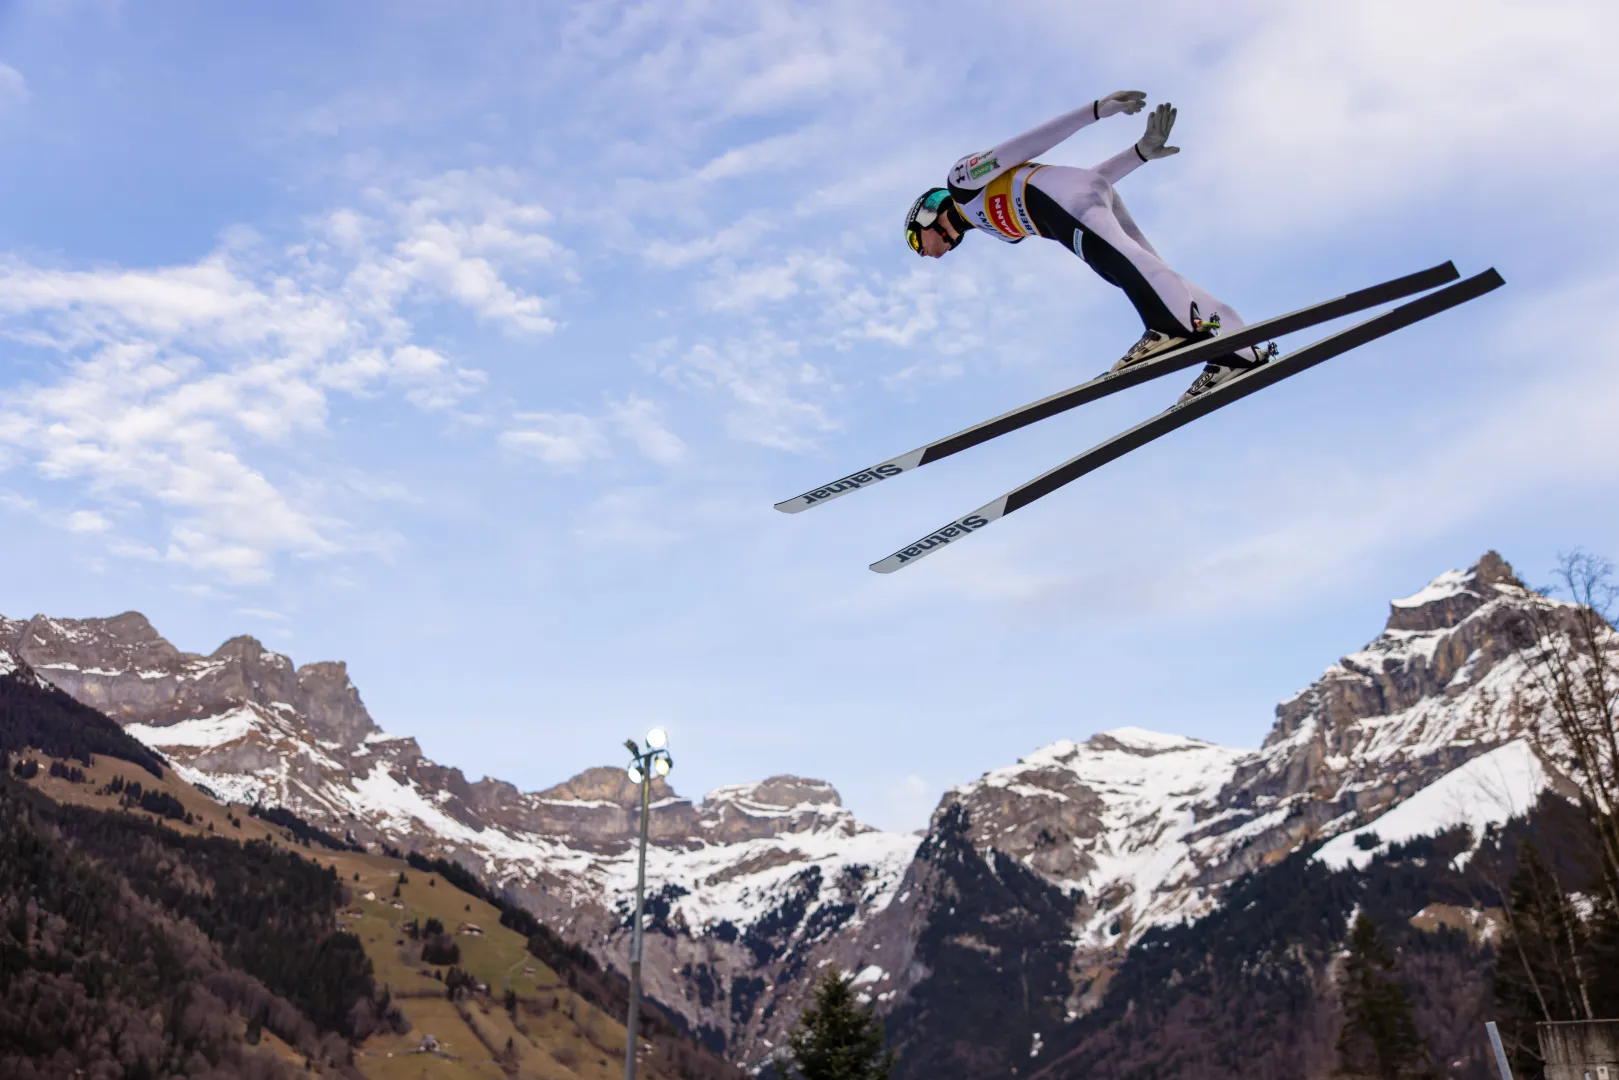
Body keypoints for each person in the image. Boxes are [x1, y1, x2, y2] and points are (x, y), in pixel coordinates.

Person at [905, 91, 1270, 402]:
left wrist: (1095, 111)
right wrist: (1138, 154)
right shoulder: (1000, 231)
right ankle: (1238, 351)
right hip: (1085, 196)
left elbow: (1025, 146)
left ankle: (1169, 328)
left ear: (927, 216)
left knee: (1125, 265)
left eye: (915, 241)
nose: (921, 252)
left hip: (1068, 204)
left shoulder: (961, 183)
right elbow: (1079, 183)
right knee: (1143, 268)